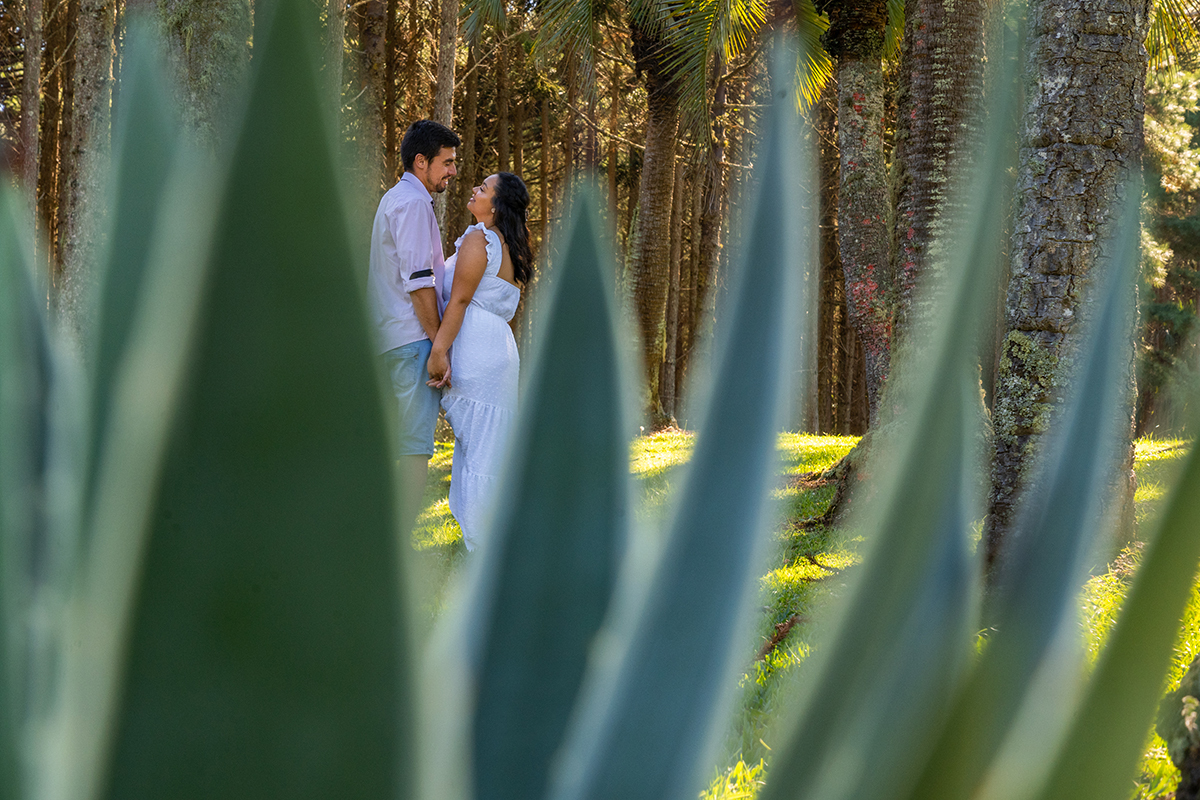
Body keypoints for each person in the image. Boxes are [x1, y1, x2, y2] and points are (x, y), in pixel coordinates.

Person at [427, 173, 533, 551]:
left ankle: (486, 546)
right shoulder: (509, 245)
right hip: (499, 351)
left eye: (484, 189)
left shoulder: (479, 239)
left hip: (476, 351)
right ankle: (497, 539)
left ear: (497, 204)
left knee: (480, 450)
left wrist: (439, 351)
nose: (475, 189)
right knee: (488, 448)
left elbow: (458, 301)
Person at [368, 120, 460, 528]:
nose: (452, 172)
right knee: (413, 450)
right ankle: (396, 547)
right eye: (447, 162)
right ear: (420, 162)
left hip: (391, 339)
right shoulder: (412, 203)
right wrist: (438, 345)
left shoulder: (395, 199)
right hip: (410, 341)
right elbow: (420, 283)